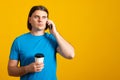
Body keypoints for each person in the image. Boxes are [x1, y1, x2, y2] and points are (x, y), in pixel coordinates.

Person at [8, 5, 75, 80]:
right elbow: (11, 70)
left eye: (44, 17)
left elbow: (70, 55)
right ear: (30, 20)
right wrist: (27, 69)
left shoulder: (53, 39)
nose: (40, 20)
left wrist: (55, 33)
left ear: (47, 21)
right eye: (36, 17)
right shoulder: (19, 41)